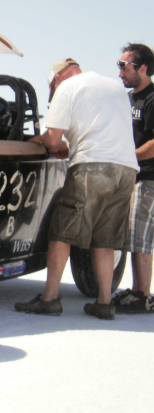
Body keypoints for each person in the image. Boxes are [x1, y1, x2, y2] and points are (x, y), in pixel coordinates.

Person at [14, 58, 139, 320]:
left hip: (92, 168)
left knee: (62, 231)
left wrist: (30, 141)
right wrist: (69, 147)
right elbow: (103, 133)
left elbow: (52, 138)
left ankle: (49, 298)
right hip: (126, 169)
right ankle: (104, 302)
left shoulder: (67, 88)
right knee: (105, 239)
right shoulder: (115, 88)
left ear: (57, 79)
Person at [112, 43, 154, 314]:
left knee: (141, 236)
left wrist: (128, 158)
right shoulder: (128, 99)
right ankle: (137, 290)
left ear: (143, 68)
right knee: (132, 235)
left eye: (123, 66)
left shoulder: (152, 97)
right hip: (131, 175)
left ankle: (143, 295)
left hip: (148, 177)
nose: (120, 73)